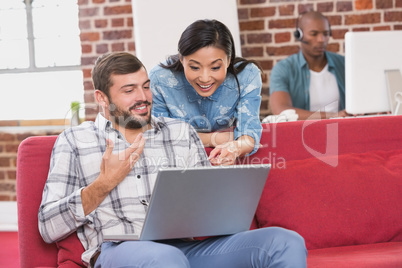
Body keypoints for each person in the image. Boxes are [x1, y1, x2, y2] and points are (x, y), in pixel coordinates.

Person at [38, 52, 307, 268]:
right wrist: (104, 184)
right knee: (165, 259)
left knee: (285, 242)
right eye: (129, 90)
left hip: (186, 247)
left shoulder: (180, 131)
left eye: (145, 87)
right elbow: (47, 227)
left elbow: (207, 210)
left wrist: (219, 189)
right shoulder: (75, 141)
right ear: (102, 99)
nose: (142, 98)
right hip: (118, 251)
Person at [149, 19, 263, 165]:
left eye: (215, 67)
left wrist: (235, 147)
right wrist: (213, 139)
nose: (204, 78)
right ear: (181, 59)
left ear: (228, 60)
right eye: (195, 67)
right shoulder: (160, 79)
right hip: (179, 163)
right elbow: (160, 137)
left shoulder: (247, 75)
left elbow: (249, 133)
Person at [269, 11, 349, 120]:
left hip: (343, 130)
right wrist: (332, 116)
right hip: (303, 133)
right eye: (314, 34)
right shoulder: (284, 69)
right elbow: (281, 111)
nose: (321, 40)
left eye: (325, 34)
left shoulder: (344, 63)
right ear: (299, 35)